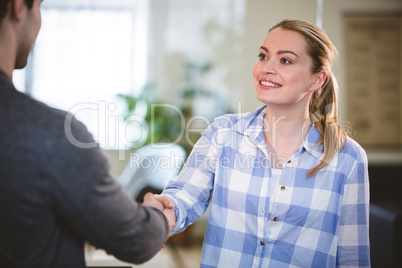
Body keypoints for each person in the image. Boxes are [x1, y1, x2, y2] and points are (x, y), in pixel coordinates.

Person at [148, 19, 371, 267]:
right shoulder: (224, 134)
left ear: (317, 79)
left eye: (285, 60)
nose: (266, 68)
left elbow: (353, 256)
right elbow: (184, 196)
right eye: (263, 56)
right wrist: (160, 216)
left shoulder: (348, 158)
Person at [0, 0, 174, 267]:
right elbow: (137, 239)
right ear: (18, 7)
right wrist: (159, 213)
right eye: (41, 6)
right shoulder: (52, 136)